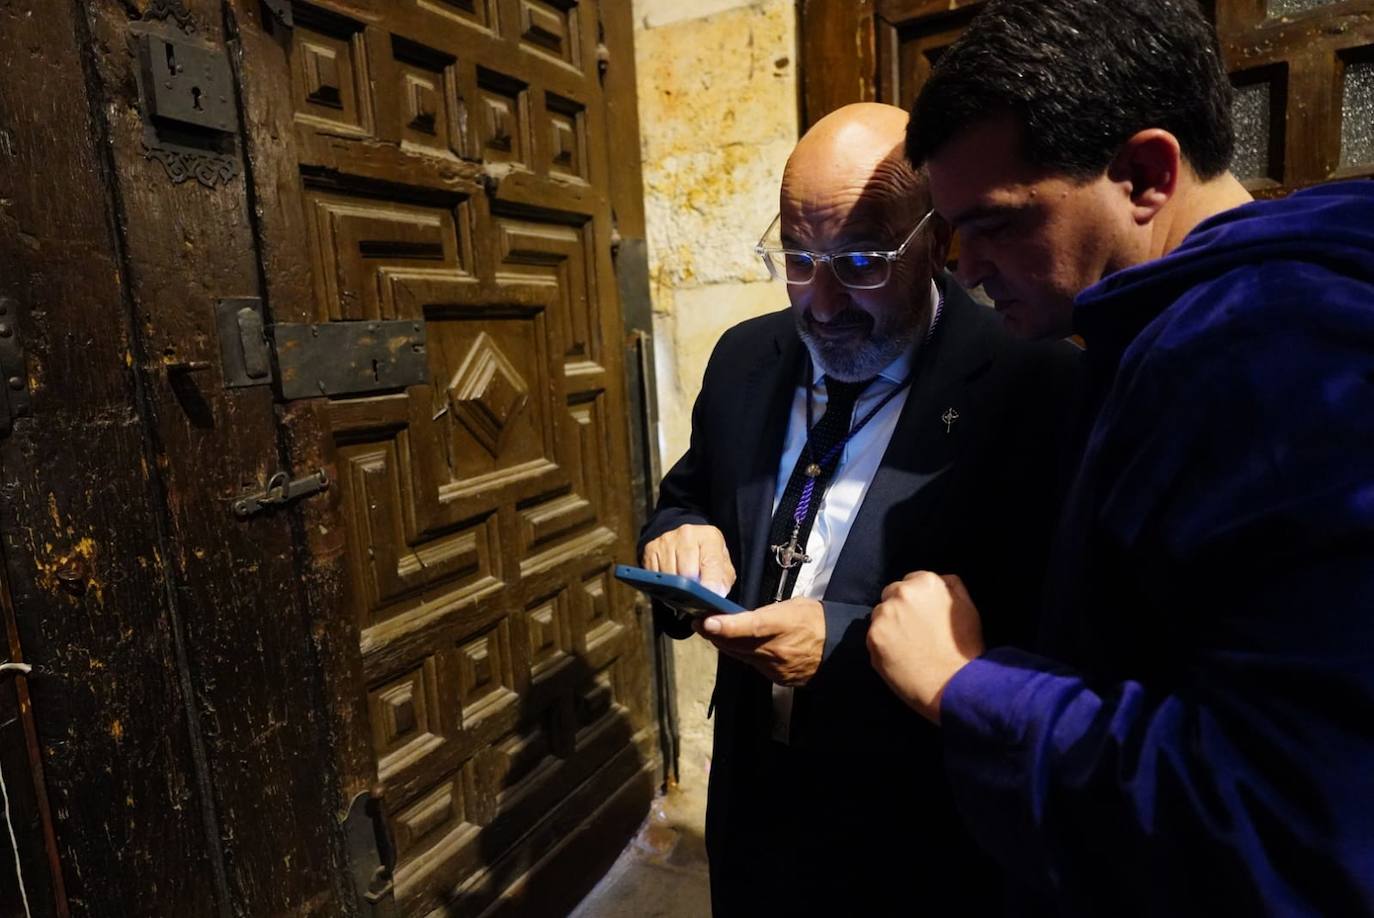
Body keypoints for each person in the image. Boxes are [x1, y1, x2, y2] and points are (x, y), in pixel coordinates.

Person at [866, 1, 1374, 914]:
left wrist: (966, 686)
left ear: (1144, 175)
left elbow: (1294, 822)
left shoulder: (1268, 351)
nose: (965, 267)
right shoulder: (1163, 325)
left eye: (995, 223)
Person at [639, 102, 1081, 915]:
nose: (821, 303)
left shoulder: (1035, 383)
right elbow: (688, 494)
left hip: (914, 831)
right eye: (797, 258)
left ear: (937, 242)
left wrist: (841, 642)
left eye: (862, 262)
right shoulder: (743, 355)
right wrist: (679, 536)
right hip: (751, 805)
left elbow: (1055, 633)